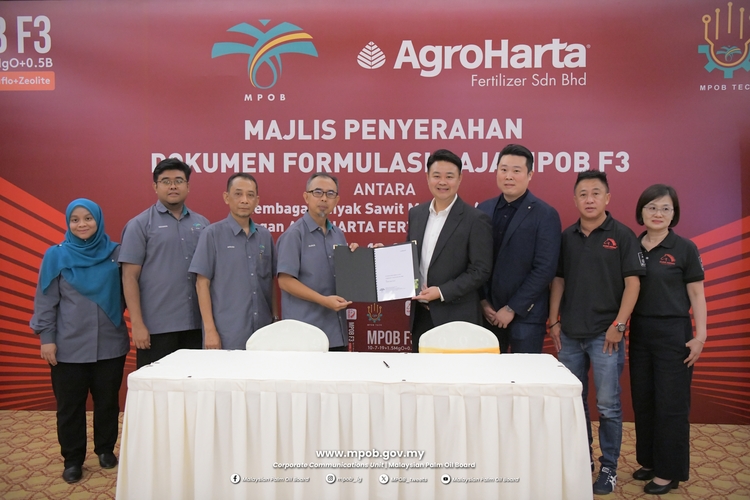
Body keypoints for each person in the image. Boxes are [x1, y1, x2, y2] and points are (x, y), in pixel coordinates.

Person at [548, 170, 645, 495]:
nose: (589, 199)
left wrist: (619, 325)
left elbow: (633, 284)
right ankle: (583, 458)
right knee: (574, 402)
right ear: (575, 199)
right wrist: (553, 320)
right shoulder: (567, 236)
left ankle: (609, 467)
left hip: (607, 337)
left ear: (607, 198)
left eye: (595, 193)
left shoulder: (622, 235)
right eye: (583, 194)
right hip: (570, 334)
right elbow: (559, 279)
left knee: (608, 406)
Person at [30, 199, 129, 484]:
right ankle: (72, 460)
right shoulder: (56, 255)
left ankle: (105, 450)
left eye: (88, 218)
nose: (82, 224)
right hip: (67, 347)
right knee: (70, 407)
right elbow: (45, 300)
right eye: (75, 219)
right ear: (68, 223)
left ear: (98, 220)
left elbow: (130, 292)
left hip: (110, 344)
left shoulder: (116, 253)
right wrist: (47, 339)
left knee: (107, 402)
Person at [629, 184, 707, 495]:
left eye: (665, 208)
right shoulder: (632, 246)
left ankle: (668, 472)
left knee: (670, 404)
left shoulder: (684, 248)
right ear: (641, 211)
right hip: (640, 332)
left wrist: (701, 336)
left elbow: (697, 294)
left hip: (674, 334)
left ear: (674, 214)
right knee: (644, 400)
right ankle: (650, 461)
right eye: (651, 207)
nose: (658, 213)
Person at [119, 158, 209, 368]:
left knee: (193, 384)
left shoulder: (203, 224)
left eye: (179, 180)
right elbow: (129, 277)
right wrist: (137, 325)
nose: (173, 186)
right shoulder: (140, 225)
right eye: (166, 181)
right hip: (156, 328)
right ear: (155, 186)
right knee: (156, 386)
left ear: (188, 186)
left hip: (197, 325)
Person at [477, 144, 561, 353]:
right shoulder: (483, 209)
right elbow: (475, 260)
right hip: (488, 314)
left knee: (525, 373)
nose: (509, 176)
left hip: (526, 317)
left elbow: (545, 268)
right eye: (504, 169)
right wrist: (483, 302)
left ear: (529, 175)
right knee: (488, 373)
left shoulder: (545, 214)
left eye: (516, 171)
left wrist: (512, 308)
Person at [407, 148, 493, 352]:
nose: (442, 182)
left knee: (457, 372)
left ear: (460, 179)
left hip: (457, 317)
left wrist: (441, 292)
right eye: (437, 176)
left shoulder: (475, 219)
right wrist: (385, 256)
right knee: (422, 371)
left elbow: (480, 270)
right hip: (421, 316)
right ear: (427, 177)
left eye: (449, 176)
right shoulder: (416, 213)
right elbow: (410, 257)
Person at [189, 173, 277, 350]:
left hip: (263, 332)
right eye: (238, 194)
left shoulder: (264, 236)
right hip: (226, 333)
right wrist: (210, 330)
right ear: (226, 197)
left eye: (250, 195)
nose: (244, 200)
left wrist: (275, 319)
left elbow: (272, 282)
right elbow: (202, 284)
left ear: (257, 200)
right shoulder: (212, 234)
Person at [276, 173, 357, 351]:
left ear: (337, 200)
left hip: (336, 332)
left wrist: (355, 259)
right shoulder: (294, 235)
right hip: (305, 335)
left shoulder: (338, 234)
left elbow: (344, 278)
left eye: (330, 194)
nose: (324, 198)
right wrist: (323, 300)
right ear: (306, 197)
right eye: (317, 192)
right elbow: (285, 281)